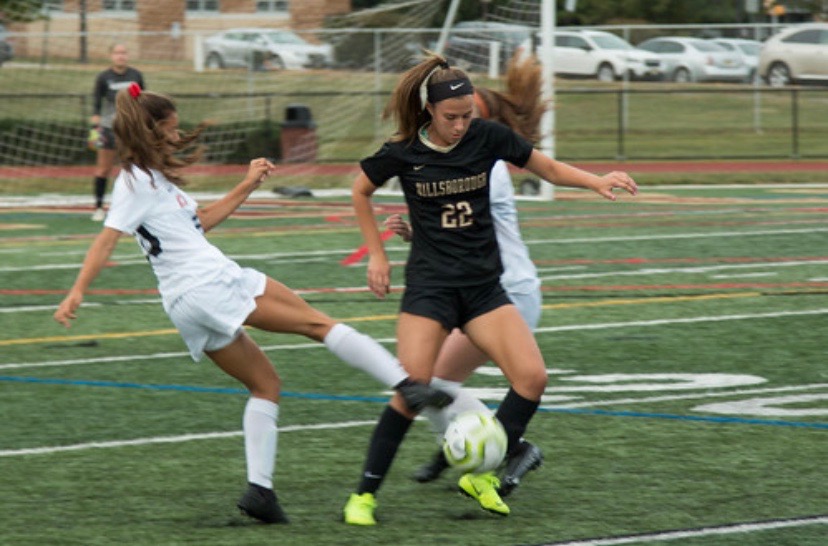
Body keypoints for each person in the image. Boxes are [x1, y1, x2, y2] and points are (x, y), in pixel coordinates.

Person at [54, 84, 451, 525]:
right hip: (212, 283)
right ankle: (406, 386)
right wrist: (77, 290)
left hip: (185, 302)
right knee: (318, 325)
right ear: (154, 130)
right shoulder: (134, 180)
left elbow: (198, 224)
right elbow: (107, 239)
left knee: (266, 384)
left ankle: (260, 490)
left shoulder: (154, 182)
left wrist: (246, 184)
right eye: (171, 127)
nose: (177, 133)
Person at [342, 52, 638, 525]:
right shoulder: (403, 152)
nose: (460, 126)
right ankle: (363, 497)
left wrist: (596, 180)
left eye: (467, 116)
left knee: (532, 378)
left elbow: (549, 168)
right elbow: (360, 190)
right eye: (451, 118)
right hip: (431, 291)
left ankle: (481, 472)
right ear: (430, 112)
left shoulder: (490, 138)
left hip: (484, 290)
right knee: (414, 388)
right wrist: (377, 254)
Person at [383, 54, 547, 497]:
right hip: (478, 285)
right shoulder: (463, 159)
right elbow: (454, 226)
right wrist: (414, 232)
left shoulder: (483, 164)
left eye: (465, 116)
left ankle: (509, 447)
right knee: (429, 381)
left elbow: (465, 221)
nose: (454, 126)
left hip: (501, 290)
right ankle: (470, 447)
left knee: (430, 383)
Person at [89, 43, 145, 221]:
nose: (121, 56)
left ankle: (131, 207)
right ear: (111, 56)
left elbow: (142, 100)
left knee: (132, 168)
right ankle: (98, 207)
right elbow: (96, 105)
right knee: (103, 169)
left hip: (129, 129)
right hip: (108, 128)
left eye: (124, 52)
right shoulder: (104, 77)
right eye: (117, 53)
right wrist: (94, 132)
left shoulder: (135, 75)